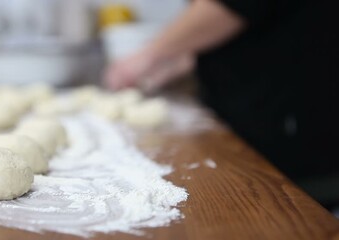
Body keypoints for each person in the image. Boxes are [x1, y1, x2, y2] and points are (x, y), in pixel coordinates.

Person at [104, 0, 339, 207]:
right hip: (254, 113)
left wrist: (149, 55)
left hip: (293, 121)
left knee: (292, 211)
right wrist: (188, 60)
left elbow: (234, 5)